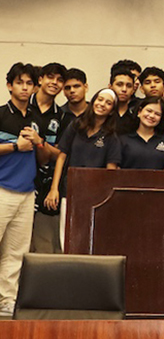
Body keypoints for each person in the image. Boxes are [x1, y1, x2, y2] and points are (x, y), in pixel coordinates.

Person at [45, 89, 121, 249]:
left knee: (89, 239)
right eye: (100, 99)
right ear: (93, 101)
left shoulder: (111, 137)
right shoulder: (76, 125)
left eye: (108, 103)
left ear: (112, 110)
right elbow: (61, 156)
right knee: (67, 238)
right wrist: (54, 189)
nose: (102, 104)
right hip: (69, 190)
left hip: (95, 195)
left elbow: (111, 171)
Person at [0, 62, 47, 316]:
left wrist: (39, 143)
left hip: (27, 192)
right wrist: (16, 146)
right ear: (10, 85)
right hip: (2, 189)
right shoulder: (1, 114)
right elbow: (16, 147)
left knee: (16, 252)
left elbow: (45, 157)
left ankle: (8, 300)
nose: (25, 87)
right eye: (20, 83)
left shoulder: (36, 118)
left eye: (29, 83)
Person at [28, 62, 70, 253]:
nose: (54, 82)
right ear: (40, 79)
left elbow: (61, 154)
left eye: (59, 80)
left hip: (44, 183)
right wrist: (46, 148)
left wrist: (39, 143)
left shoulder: (62, 116)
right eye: (50, 77)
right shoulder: (23, 107)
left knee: (42, 244)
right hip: (16, 179)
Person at [119, 97, 164, 170]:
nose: (152, 116)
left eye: (157, 114)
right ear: (139, 112)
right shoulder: (123, 140)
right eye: (149, 111)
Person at [110, 65, 138, 133]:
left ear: (133, 90)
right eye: (119, 85)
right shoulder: (103, 112)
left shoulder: (138, 114)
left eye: (129, 86)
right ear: (110, 87)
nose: (124, 89)